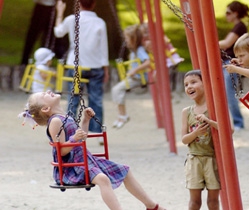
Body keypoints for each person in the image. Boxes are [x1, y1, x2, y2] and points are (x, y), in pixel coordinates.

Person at [18, 90, 166, 210]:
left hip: (85, 160)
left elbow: (81, 138)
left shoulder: (65, 116)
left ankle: (151, 206)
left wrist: (85, 121)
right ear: (45, 109)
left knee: (124, 170)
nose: (48, 91)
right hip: (72, 167)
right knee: (103, 179)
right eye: (44, 95)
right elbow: (61, 151)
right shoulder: (55, 122)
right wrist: (74, 139)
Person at [54, 0, 109, 137]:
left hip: (75, 65)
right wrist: (105, 68)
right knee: (96, 99)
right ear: (94, 4)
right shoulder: (100, 22)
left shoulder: (72, 19)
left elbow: (58, 32)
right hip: (95, 65)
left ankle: (69, 131)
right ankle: (96, 132)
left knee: (73, 99)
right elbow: (103, 48)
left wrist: (59, 12)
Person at [182, 70, 229, 210]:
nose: (189, 86)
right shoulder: (187, 111)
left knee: (213, 201)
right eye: (186, 84)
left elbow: (228, 130)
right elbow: (184, 139)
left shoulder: (215, 108)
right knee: (194, 201)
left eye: (193, 82)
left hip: (212, 159)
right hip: (194, 159)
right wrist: (195, 133)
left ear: (206, 84)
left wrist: (209, 121)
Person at [111, 24, 150, 129]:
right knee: (116, 90)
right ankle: (121, 115)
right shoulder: (134, 51)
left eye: (127, 38)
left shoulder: (140, 50)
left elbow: (148, 62)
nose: (125, 41)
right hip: (133, 78)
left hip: (138, 78)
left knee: (117, 90)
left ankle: (123, 115)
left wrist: (135, 70)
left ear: (134, 39)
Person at [218, 1, 249, 131]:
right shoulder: (238, 27)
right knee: (227, 92)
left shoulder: (239, 27)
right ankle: (235, 121)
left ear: (235, 14)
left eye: (228, 13)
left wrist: (208, 41)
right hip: (227, 63)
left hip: (231, 63)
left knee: (230, 93)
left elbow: (226, 43)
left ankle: (238, 122)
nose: (226, 16)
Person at [21, 0, 68, 65]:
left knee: (50, 36)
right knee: (32, 34)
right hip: (41, 6)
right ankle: (25, 59)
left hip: (52, 6)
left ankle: (46, 59)